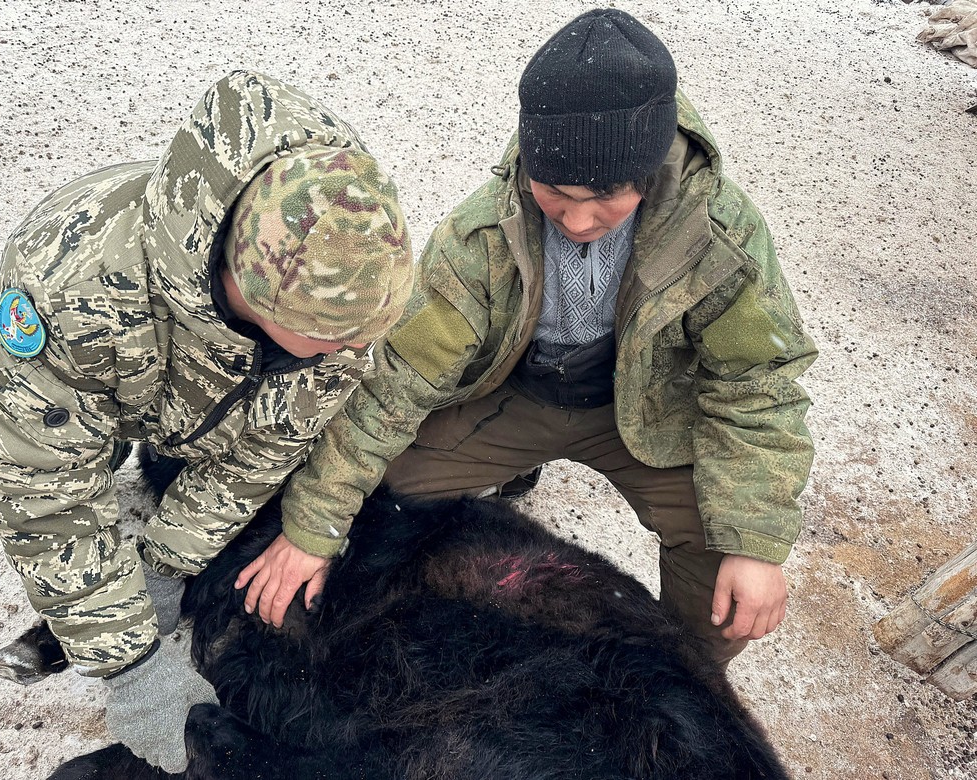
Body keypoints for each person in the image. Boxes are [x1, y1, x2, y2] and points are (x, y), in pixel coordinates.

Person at [238, 10, 818, 670]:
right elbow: (397, 384)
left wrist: (757, 544)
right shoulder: (479, 235)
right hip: (521, 394)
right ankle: (499, 488)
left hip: (653, 416)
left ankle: (675, 681)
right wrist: (314, 527)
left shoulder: (718, 234)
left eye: (605, 198)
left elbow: (759, 384)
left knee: (726, 571)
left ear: (649, 171)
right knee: (391, 482)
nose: (576, 218)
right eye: (554, 192)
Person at [0, 70, 413, 771]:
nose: (354, 353)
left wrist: (165, 564)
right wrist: (130, 668)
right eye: (336, 340)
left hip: (193, 397)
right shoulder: (75, 286)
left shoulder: (345, 278)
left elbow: (262, 450)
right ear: (260, 300)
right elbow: (40, 492)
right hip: (80, 381)